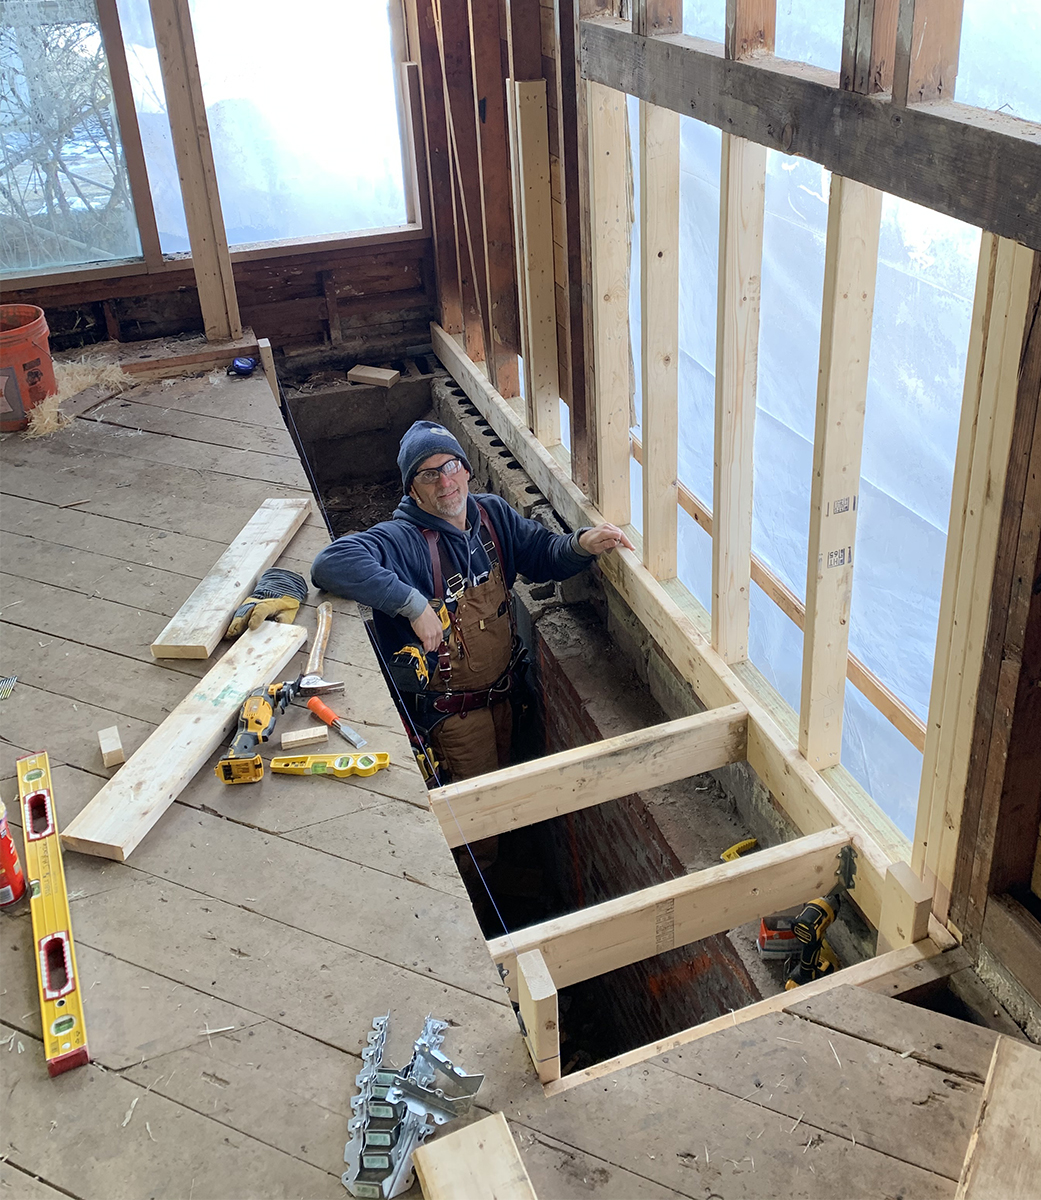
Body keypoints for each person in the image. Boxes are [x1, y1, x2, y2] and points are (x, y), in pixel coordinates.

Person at [311, 419, 634, 785]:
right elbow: (331, 562)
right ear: (412, 491)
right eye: (428, 475)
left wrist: (580, 544)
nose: (445, 483)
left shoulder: (491, 516)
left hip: (508, 697)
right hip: (452, 719)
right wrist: (412, 605)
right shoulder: (405, 539)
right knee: (481, 825)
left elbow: (542, 552)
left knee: (515, 800)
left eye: (450, 467)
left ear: (466, 469)